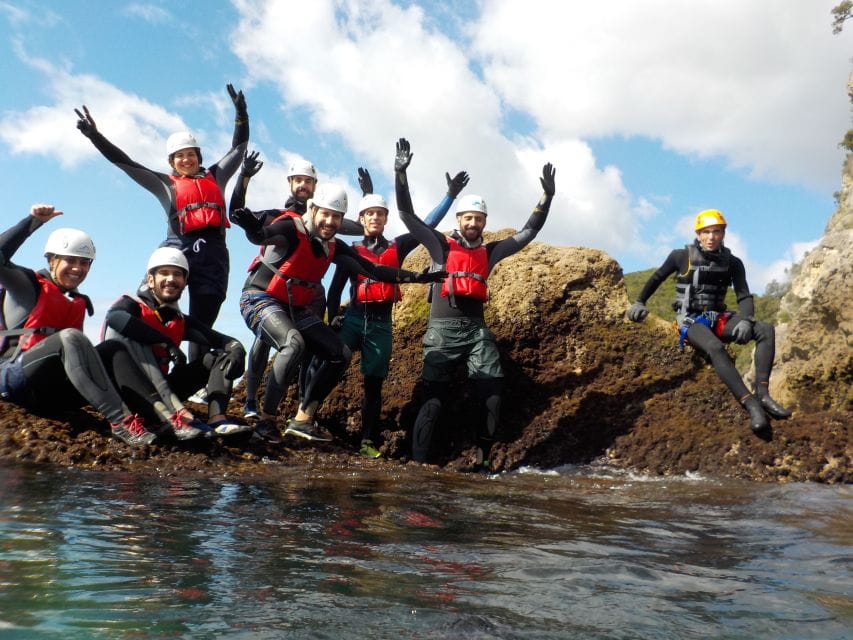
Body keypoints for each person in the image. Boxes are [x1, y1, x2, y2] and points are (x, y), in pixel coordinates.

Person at [230, 183, 446, 444]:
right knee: (293, 344)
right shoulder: (290, 227)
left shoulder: (335, 246)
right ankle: (266, 421)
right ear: (314, 210)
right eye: (326, 214)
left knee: (338, 354)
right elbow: (262, 235)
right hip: (259, 298)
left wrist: (417, 277)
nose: (330, 221)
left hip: (294, 308)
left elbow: (373, 270)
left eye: (337, 217)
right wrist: (250, 226)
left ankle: (303, 419)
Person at [394, 138, 556, 465]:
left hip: (475, 331)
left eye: (478, 219)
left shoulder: (491, 251)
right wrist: (401, 175)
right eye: (467, 218)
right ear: (459, 220)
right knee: (434, 400)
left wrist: (546, 197)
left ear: (484, 222)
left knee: (492, 392)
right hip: (442, 330)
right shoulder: (439, 245)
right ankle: (419, 464)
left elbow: (528, 232)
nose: (472, 223)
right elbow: (407, 215)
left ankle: (481, 459)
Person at [74, 84, 249, 361]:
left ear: (198, 156)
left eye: (191, 153)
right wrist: (95, 136)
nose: (186, 159)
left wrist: (241, 114)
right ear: (172, 161)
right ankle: (137, 361)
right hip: (178, 249)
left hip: (214, 255)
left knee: (203, 324)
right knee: (151, 307)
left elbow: (238, 149)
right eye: (180, 155)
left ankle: (193, 379)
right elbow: (124, 162)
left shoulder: (216, 176)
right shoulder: (164, 184)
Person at [325, 167, 469, 457]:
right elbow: (334, 289)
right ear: (361, 219)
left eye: (381, 213)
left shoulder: (397, 246)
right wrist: (330, 319)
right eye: (370, 213)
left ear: (386, 219)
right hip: (353, 319)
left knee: (374, 387)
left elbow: (424, 224)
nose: (375, 217)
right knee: (329, 364)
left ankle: (368, 441)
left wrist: (450, 195)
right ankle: (308, 417)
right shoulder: (349, 250)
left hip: (381, 325)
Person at [0, 205, 167, 446]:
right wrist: (33, 221)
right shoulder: (26, 284)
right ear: (52, 259)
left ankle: (158, 418)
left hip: (57, 396)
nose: (78, 268)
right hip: (17, 383)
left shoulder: (78, 301)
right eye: (70, 260)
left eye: (85, 262)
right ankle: (121, 422)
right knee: (71, 338)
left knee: (112, 348)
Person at [627, 209, 792, 433]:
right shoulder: (680, 256)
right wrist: (639, 302)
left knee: (765, 329)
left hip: (717, 317)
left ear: (723, 233)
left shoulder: (733, 262)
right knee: (715, 347)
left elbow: (743, 295)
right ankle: (750, 404)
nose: (711, 237)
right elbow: (657, 278)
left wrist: (745, 320)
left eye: (716, 231)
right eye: (706, 232)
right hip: (689, 319)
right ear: (698, 233)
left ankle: (762, 395)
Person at [229, 153, 365, 419]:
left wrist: (367, 194)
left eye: (308, 181)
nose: (303, 185)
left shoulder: (327, 216)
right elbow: (237, 214)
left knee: (310, 344)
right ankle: (251, 401)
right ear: (290, 183)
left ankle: (303, 409)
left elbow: (360, 228)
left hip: (310, 291)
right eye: (298, 180)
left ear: (315, 188)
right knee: (266, 341)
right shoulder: (279, 216)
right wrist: (243, 177)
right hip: (271, 287)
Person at [103, 247, 250, 438]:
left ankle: (217, 419)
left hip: (166, 391)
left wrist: (237, 350)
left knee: (219, 356)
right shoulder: (130, 305)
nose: (171, 279)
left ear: (184, 282)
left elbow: (222, 340)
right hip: (130, 393)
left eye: (177, 274)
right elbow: (114, 319)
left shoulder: (179, 320)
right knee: (125, 338)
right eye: (164, 273)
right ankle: (165, 417)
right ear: (150, 279)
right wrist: (164, 341)